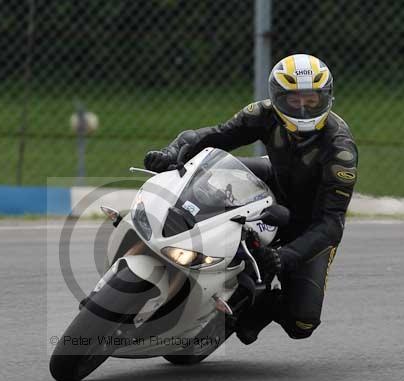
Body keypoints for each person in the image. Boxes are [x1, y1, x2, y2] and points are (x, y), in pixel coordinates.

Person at [144, 54, 358, 345]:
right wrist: (171, 153)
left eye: (312, 100)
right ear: (277, 98)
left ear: (327, 98)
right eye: (294, 100)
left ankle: (260, 303)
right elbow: (214, 137)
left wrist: (286, 257)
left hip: (310, 223)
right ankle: (173, 236)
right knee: (209, 170)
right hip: (273, 180)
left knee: (303, 322)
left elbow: (332, 224)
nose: (304, 109)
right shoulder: (264, 114)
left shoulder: (341, 151)